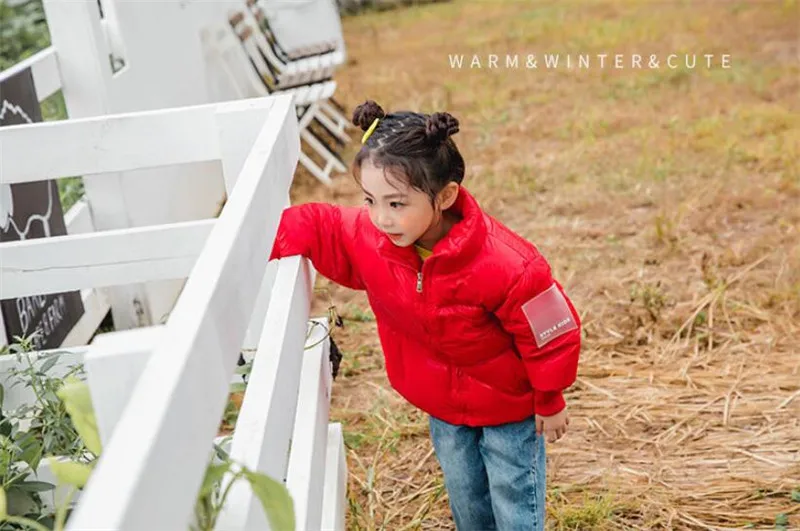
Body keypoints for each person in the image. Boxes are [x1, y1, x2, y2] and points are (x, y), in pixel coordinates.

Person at [269, 99, 581, 530]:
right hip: (442, 404)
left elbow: (550, 331)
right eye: (370, 200)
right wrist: (255, 246)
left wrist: (549, 397)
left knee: (512, 493)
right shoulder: (375, 238)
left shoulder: (507, 264)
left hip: (509, 403)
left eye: (396, 204)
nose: (380, 218)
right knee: (465, 492)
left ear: (445, 196)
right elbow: (322, 226)